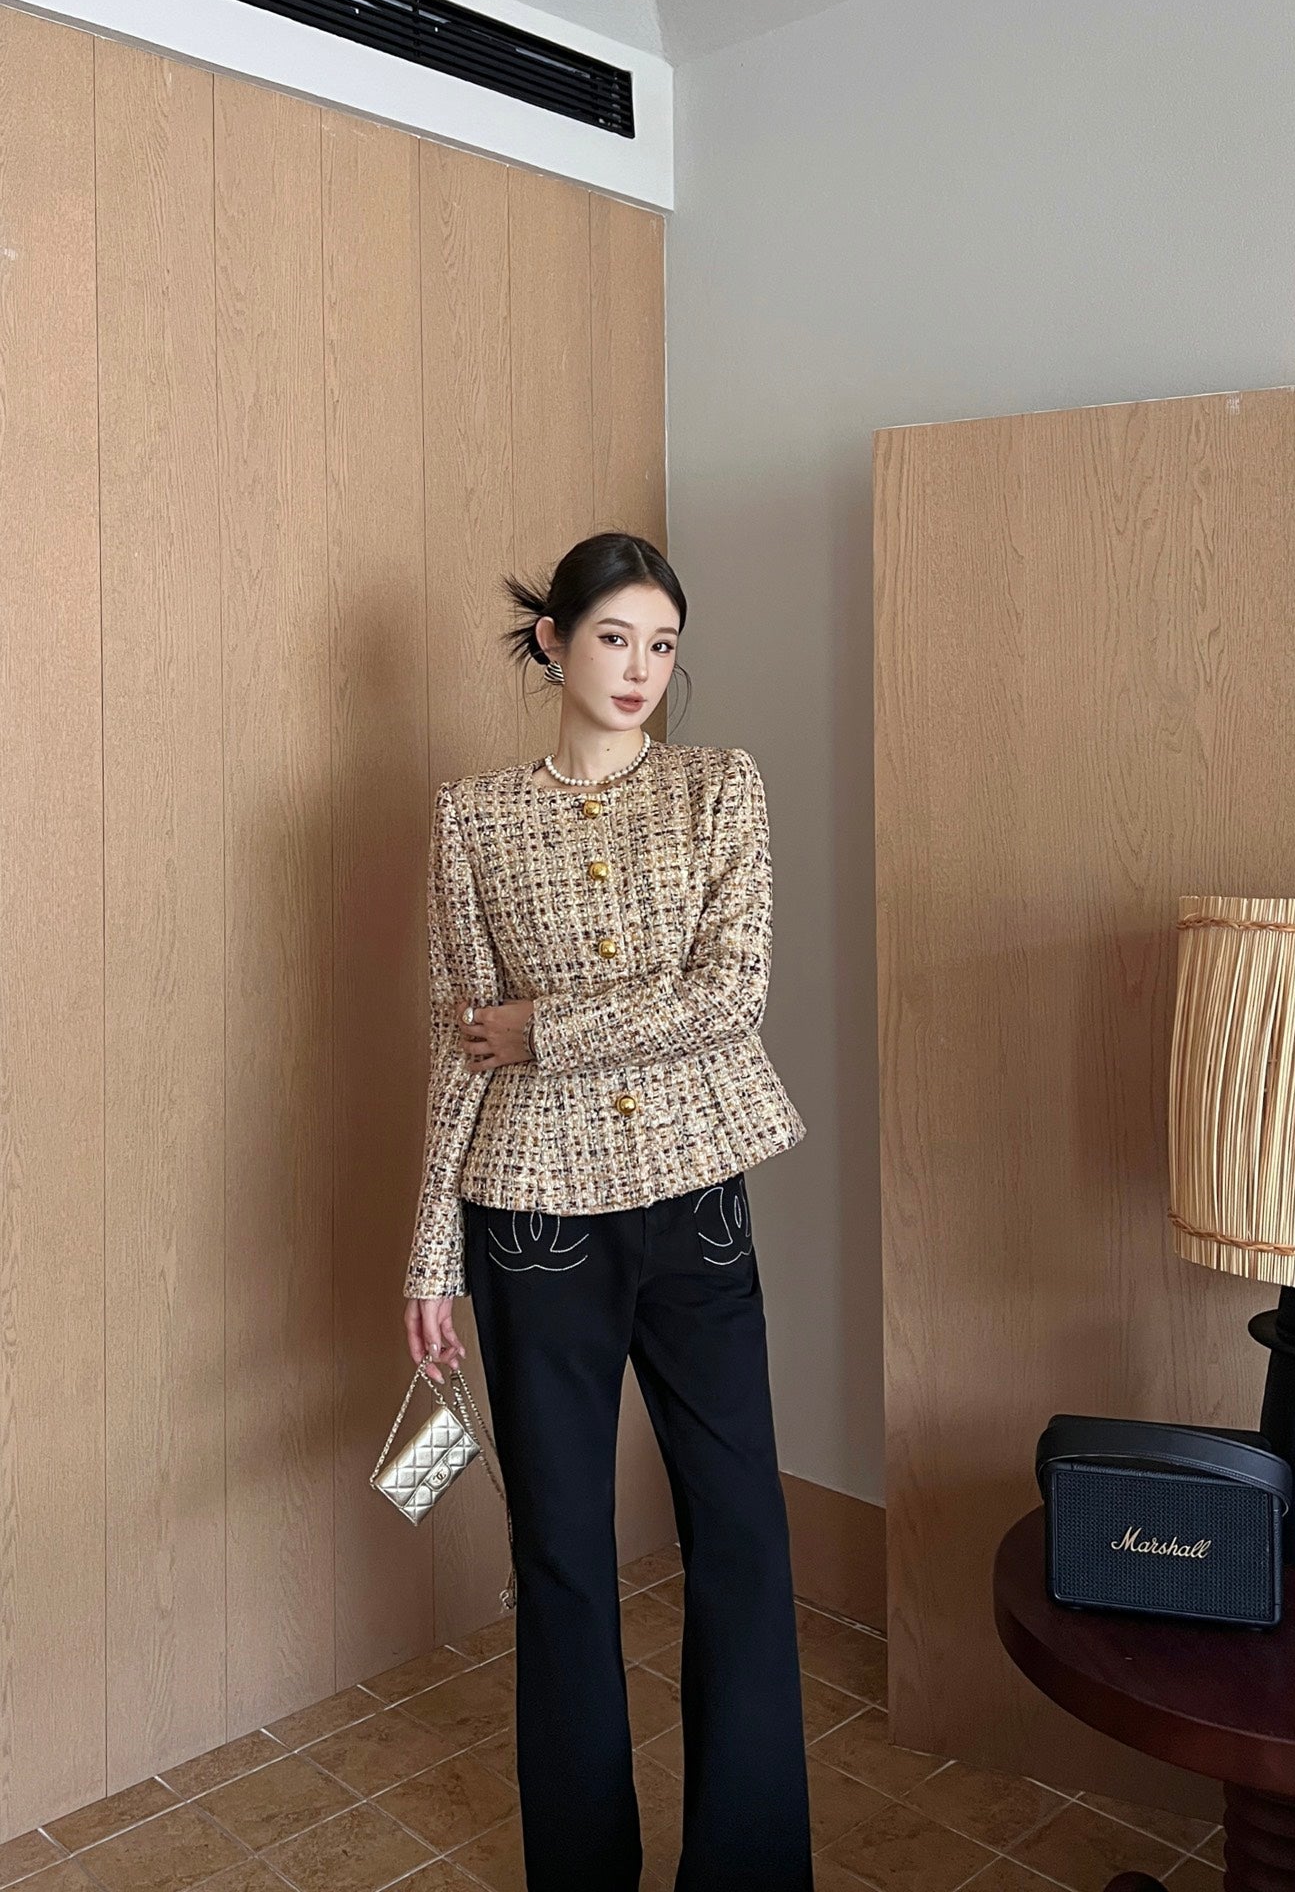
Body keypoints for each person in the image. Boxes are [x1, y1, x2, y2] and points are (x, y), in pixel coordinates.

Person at [399, 530, 814, 1892]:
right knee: (564, 1556)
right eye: (615, 638)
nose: (640, 669)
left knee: (741, 1533)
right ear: (554, 644)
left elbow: (730, 997)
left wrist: (547, 1032)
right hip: (531, 1222)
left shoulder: (718, 788)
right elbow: (460, 1040)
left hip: (697, 1207)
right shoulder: (473, 816)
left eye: (663, 644)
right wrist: (430, 1254)